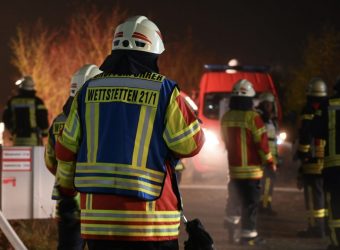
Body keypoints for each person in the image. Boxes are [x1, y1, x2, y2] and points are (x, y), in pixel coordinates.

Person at [55, 15, 205, 250]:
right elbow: (190, 145)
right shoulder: (165, 91)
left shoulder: (87, 91)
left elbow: (64, 150)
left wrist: (67, 193)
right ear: (153, 53)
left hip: (98, 224)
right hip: (151, 223)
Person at [44, 64, 102, 250]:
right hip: (98, 203)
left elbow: (50, 161)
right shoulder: (103, 120)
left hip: (68, 203)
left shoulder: (59, 122)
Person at [221, 79, 276, 246]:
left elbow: (225, 141)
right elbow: (263, 144)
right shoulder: (254, 118)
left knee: (235, 199)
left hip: (234, 170)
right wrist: (270, 161)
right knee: (250, 203)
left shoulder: (226, 117)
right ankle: (249, 236)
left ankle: (231, 225)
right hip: (252, 171)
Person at [296, 77, 328, 238]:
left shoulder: (308, 110)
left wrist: (303, 154)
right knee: (324, 194)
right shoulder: (328, 108)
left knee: (312, 196)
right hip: (327, 160)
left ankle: (314, 229)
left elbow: (306, 134)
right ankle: (325, 228)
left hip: (311, 160)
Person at [317, 77, 340, 250]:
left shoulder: (327, 104)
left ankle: (336, 242)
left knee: (335, 205)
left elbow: (316, 130)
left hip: (333, 166)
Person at [2, 76, 49, 146]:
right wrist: (44, 133)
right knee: (34, 156)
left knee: (19, 156)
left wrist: (12, 130)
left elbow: (5, 118)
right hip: (33, 140)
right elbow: (42, 119)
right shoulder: (37, 101)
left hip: (17, 139)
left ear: (21, 87)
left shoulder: (12, 101)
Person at [256, 92, 279, 216]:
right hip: (263, 156)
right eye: (266, 104)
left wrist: (277, 158)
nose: (268, 107)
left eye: (269, 104)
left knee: (269, 183)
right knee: (265, 182)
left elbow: (273, 141)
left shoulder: (271, 120)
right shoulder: (259, 117)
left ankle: (266, 204)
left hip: (271, 156)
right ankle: (263, 206)